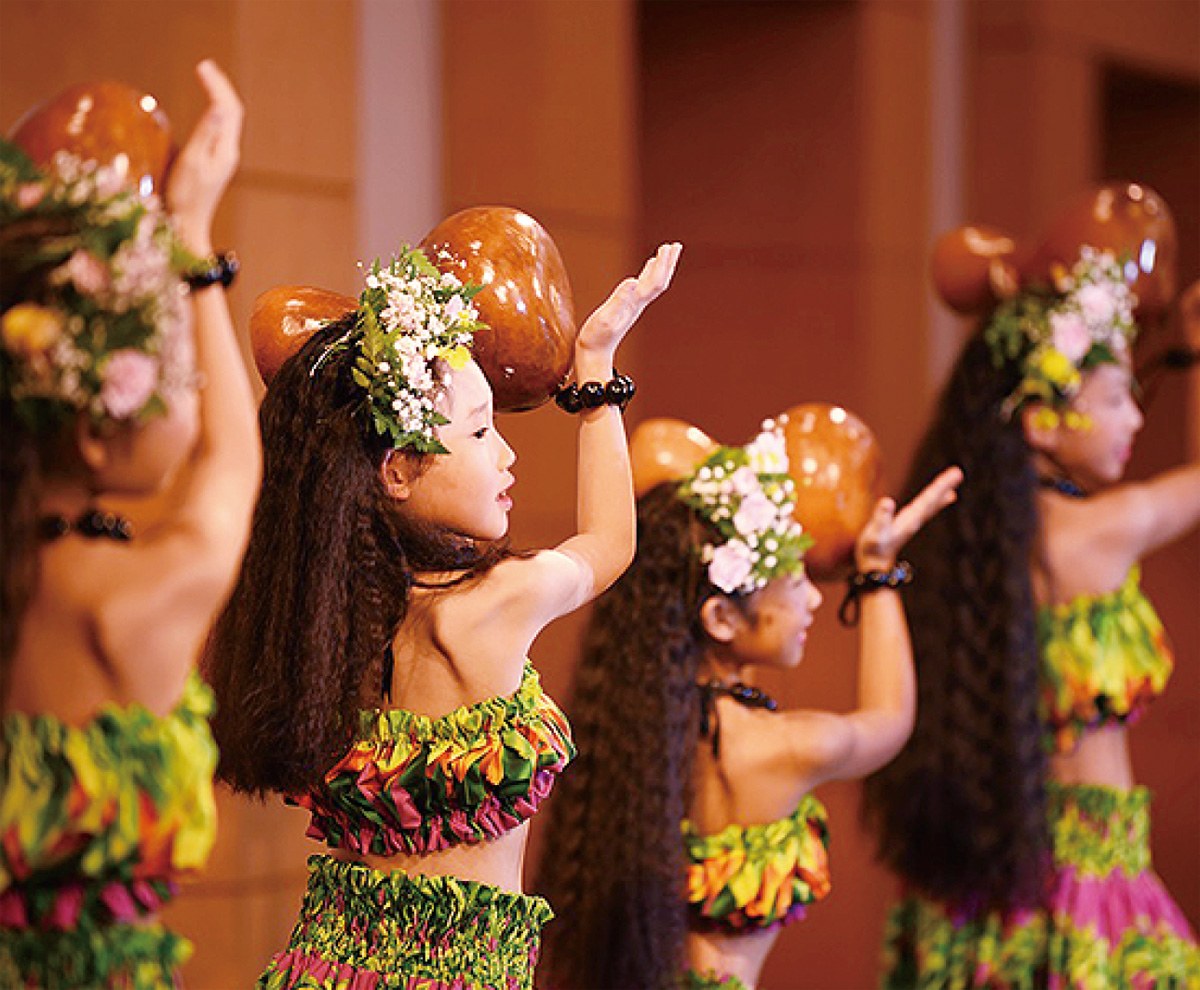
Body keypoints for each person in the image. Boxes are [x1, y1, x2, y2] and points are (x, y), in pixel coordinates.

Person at [204, 239, 682, 988]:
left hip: (329, 963)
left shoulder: (323, 623)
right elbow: (610, 544)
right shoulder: (494, 603)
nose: (508, 455)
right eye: (482, 431)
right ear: (396, 471)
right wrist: (595, 370)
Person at [863, 250, 1200, 987]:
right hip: (1093, 878)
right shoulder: (1099, 532)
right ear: (1042, 422)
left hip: (973, 873)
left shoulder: (959, 552)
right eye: (1116, 399)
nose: (1135, 418)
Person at [535, 417, 961, 990]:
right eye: (792, 581)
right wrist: (877, 575)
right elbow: (888, 721)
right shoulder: (775, 748)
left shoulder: (633, 731)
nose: (813, 595)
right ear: (720, 617)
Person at [0, 61, 258, 987]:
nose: (189, 398)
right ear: (98, 431)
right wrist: (193, 239)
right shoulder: (131, 604)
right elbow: (234, 464)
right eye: (174, 377)